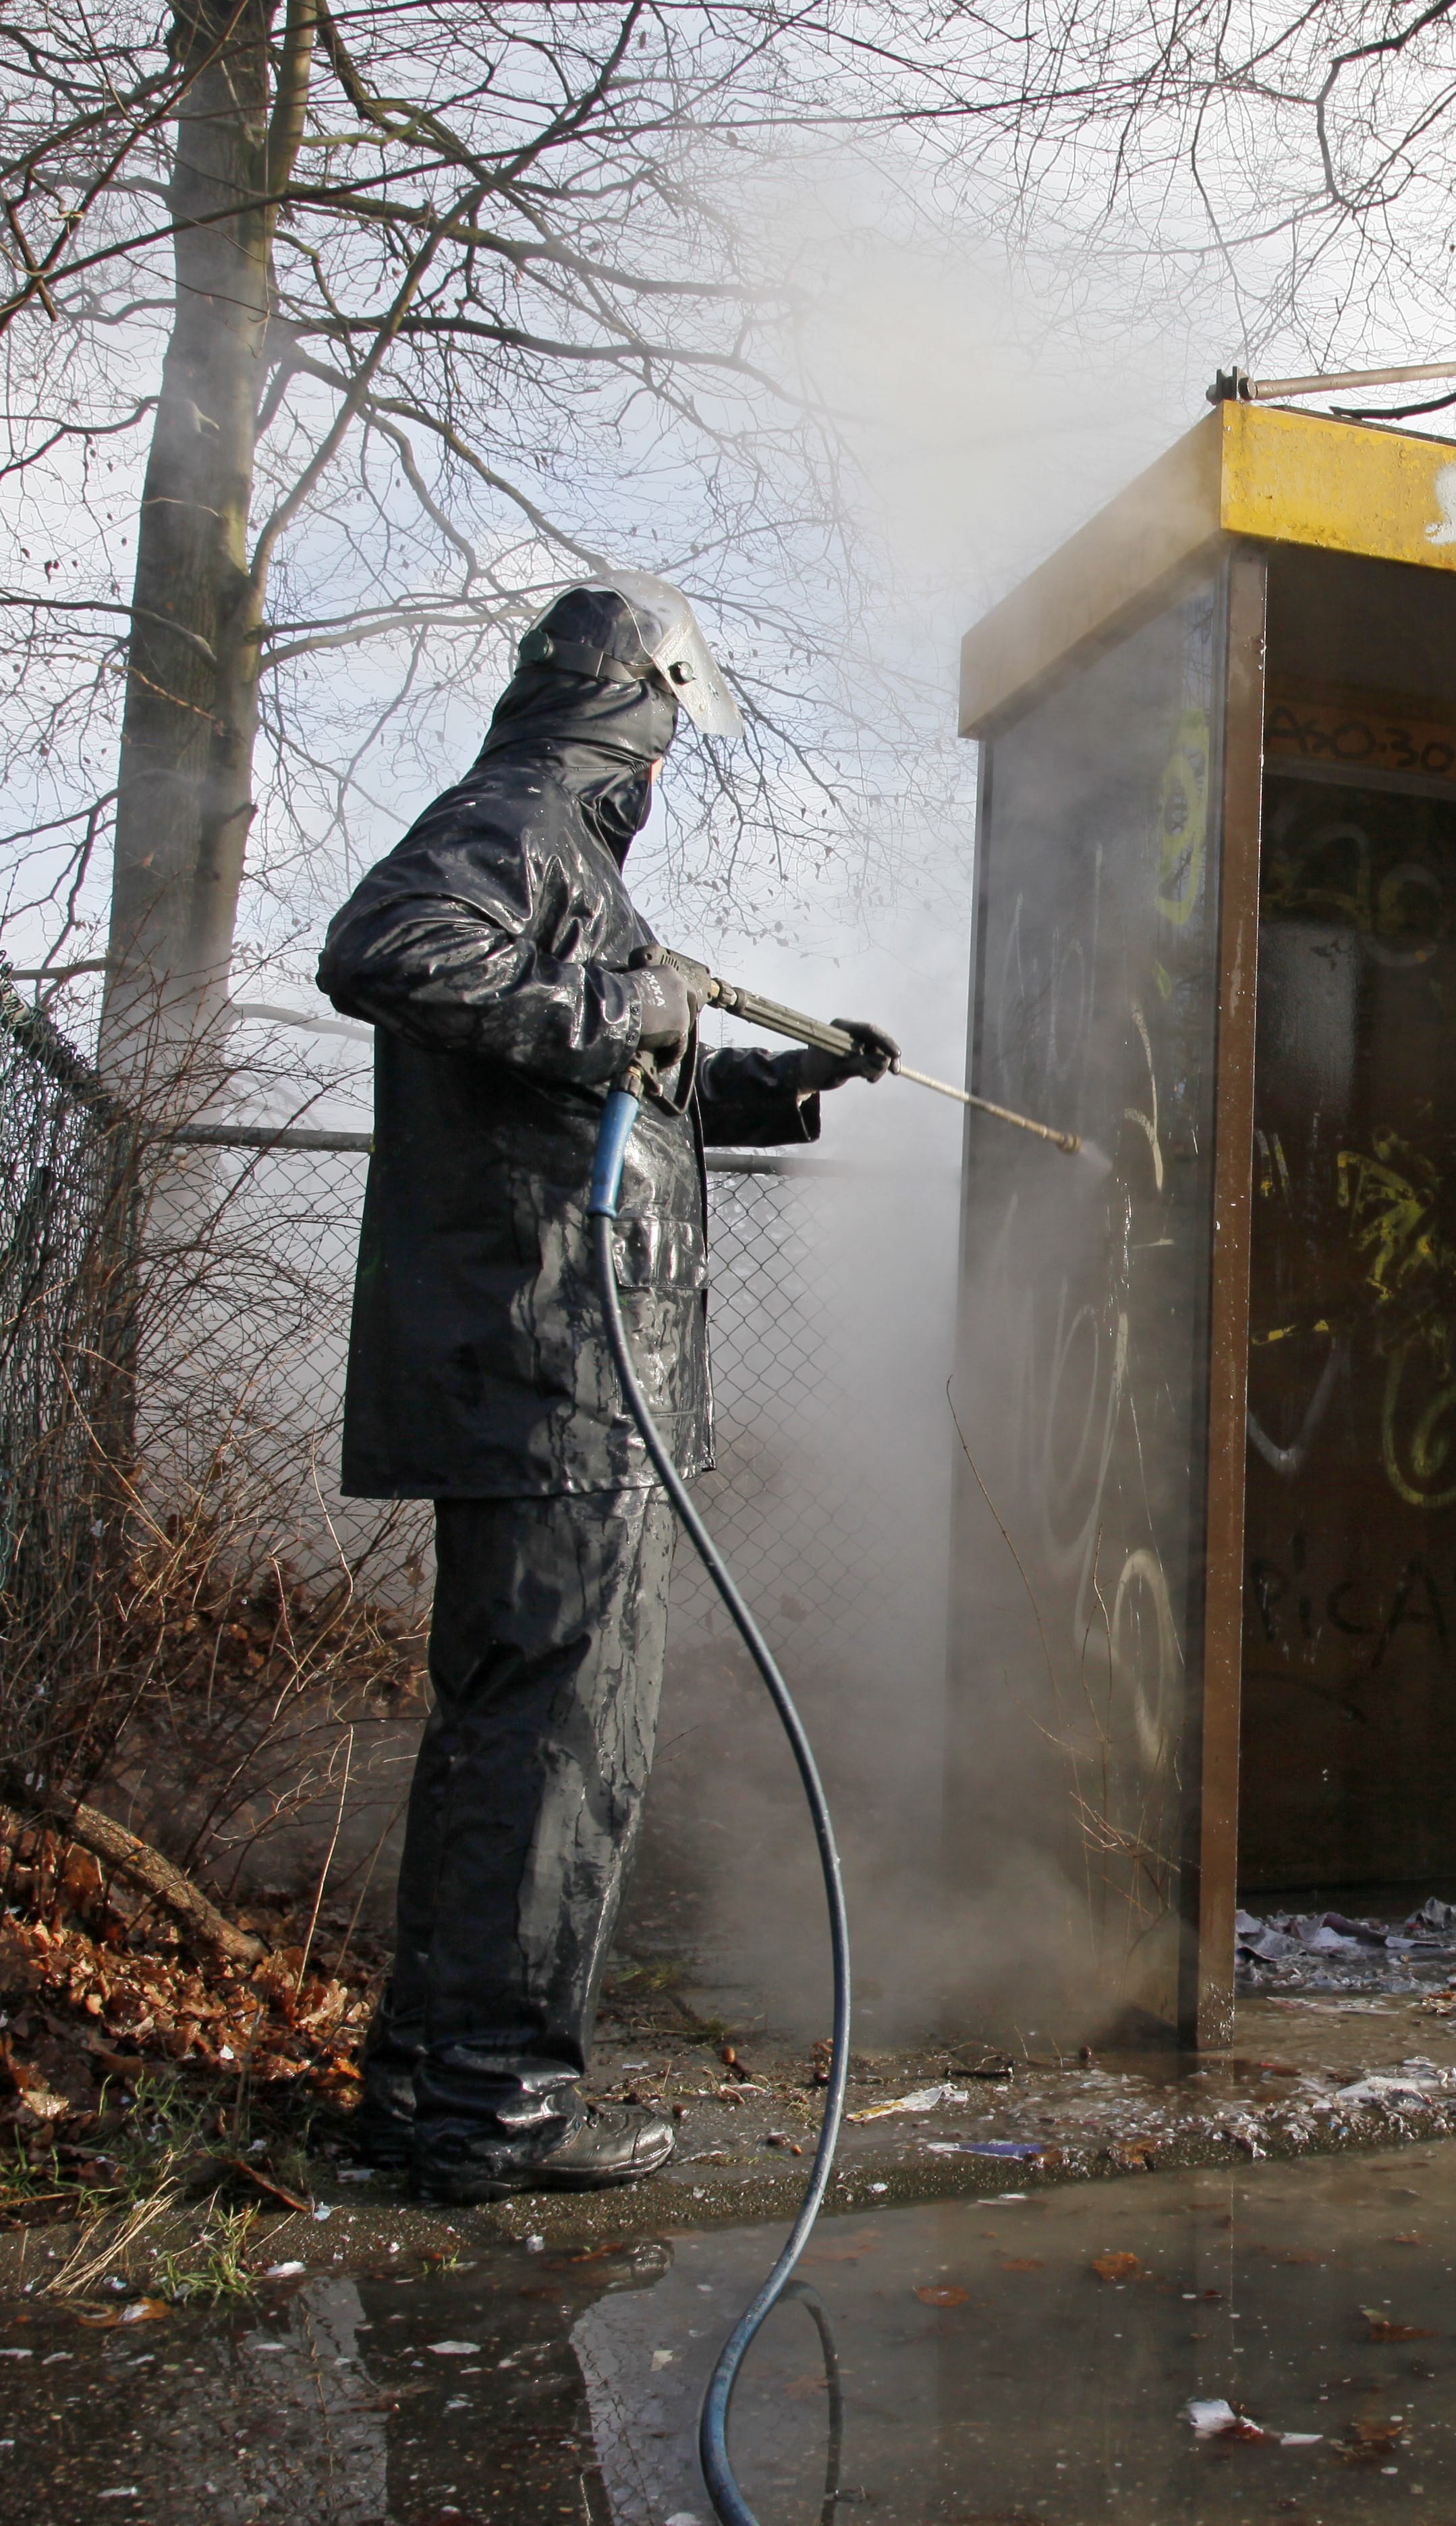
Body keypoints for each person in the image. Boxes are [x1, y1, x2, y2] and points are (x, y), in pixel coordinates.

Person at [316, 582, 895, 2203]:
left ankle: (443, 2093)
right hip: (546, 1375)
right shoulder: (515, 824)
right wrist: (640, 998)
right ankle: (486, 2113)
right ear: (631, 710)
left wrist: (776, 1080)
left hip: (552, 1377)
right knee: (556, 1749)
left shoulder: (552, 856)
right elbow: (387, 953)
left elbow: (592, 1083)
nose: (662, 773)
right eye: (663, 737)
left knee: (525, 1740)